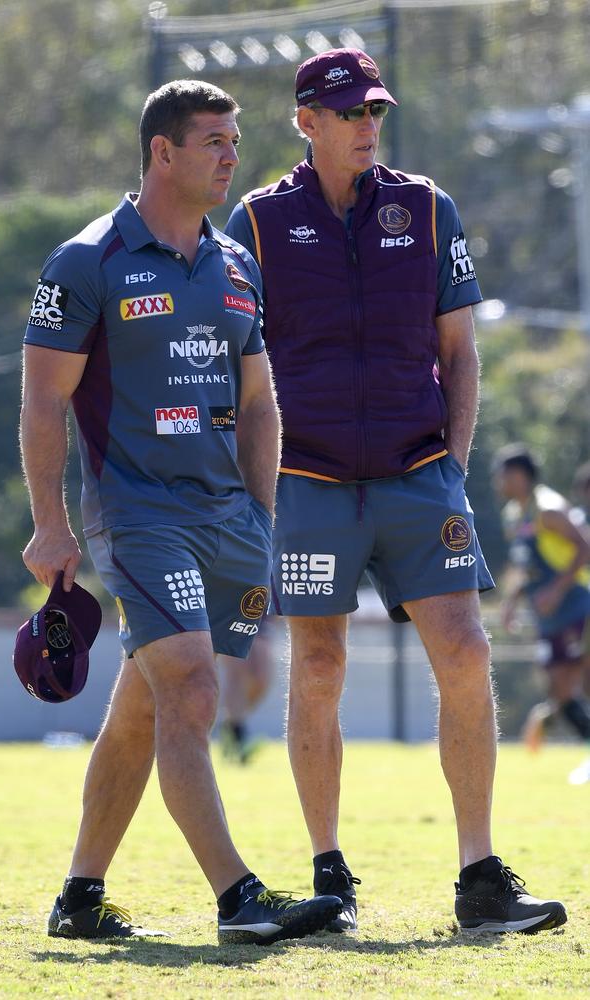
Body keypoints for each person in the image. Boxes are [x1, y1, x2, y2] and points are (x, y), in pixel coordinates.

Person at [224, 48, 566, 934]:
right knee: (322, 666)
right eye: (347, 113)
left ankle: (480, 877)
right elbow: (237, 366)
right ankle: (329, 875)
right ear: (306, 121)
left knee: (466, 652)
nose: (366, 125)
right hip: (308, 481)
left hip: (419, 474)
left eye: (375, 110)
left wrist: (451, 464)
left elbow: (458, 350)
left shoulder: (426, 207)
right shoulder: (258, 222)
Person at [20, 79, 342, 945]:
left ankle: (79, 898)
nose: (233, 155)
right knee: (193, 690)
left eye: (235, 140)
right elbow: (43, 402)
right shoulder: (86, 262)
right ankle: (239, 897)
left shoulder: (236, 265)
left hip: (229, 518)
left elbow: (261, 401)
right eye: (214, 140)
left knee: (146, 707)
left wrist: (263, 514)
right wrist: (50, 523)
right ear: (163, 151)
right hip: (135, 513)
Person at [492, 444, 590, 763]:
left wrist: (556, 591)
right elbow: (526, 567)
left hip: (577, 607)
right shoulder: (514, 514)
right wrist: (510, 602)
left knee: (573, 685)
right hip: (549, 618)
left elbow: (584, 548)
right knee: (558, 691)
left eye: (502, 474)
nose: (498, 481)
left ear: (520, 475)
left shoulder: (549, 508)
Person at [218, 620, 275, 764]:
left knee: (262, 679)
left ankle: (230, 724)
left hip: (260, 613)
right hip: (230, 611)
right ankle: (238, 734)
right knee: (236, 673)